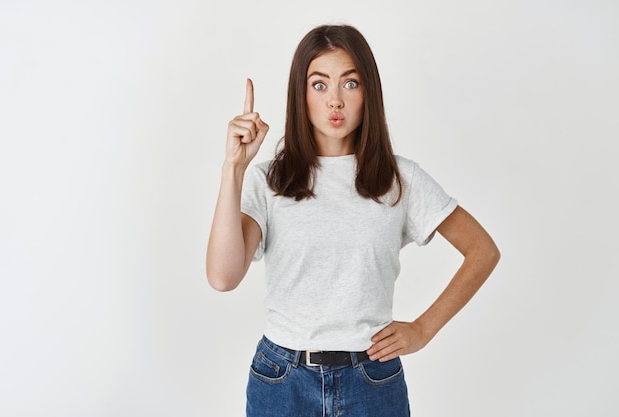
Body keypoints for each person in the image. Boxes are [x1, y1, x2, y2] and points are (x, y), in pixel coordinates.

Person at [206, 24, 500, 417]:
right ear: (301, 94)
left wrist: (423, 330)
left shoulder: (399, 179)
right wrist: (234, 168)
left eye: (350, 83)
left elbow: (482, 251)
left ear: (368, 93)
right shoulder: (269, 180)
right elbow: (222, 277)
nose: (335, 102)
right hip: (282, 381)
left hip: (372, 382)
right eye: (319, 84)